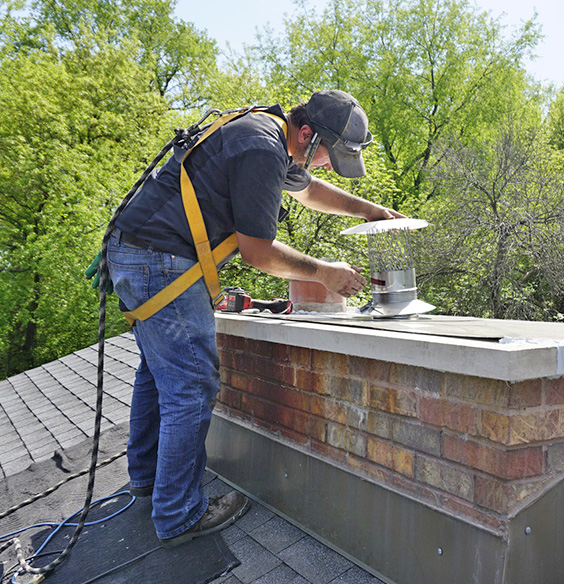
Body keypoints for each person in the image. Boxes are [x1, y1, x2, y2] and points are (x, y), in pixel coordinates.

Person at [107, 89, 403, 547]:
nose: (326, 164)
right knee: (191, 385)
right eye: (329, 154)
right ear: (307, 134)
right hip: (158, 261)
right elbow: (257, 252)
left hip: (138, 254)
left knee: (160, 371)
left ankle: (148, 480)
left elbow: (309, 190)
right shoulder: (262, 149)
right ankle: (178, 514)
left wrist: (369, 210)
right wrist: (325, 274)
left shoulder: (267, 133)